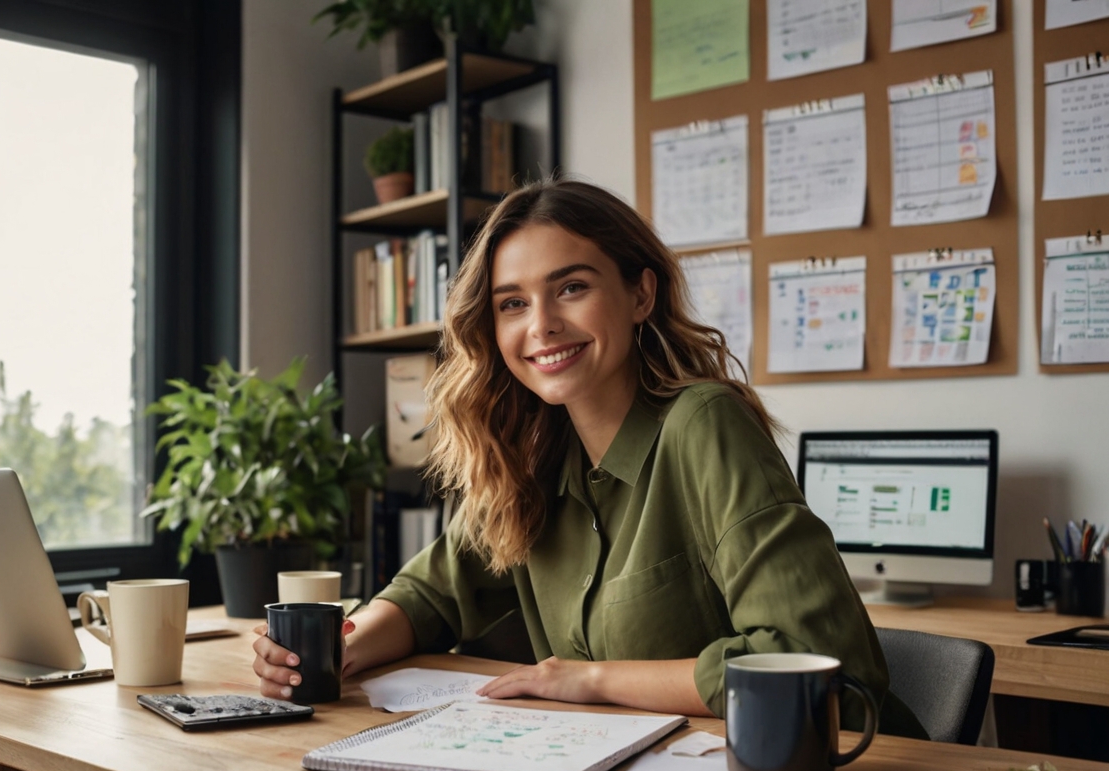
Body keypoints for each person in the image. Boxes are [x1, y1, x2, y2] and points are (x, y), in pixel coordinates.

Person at [253, 177, 925, 736]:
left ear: (640, 294)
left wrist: (589, 679)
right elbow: (430, 595)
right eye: (512, 303)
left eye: (570, 288)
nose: (540, 324)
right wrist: (329, 654)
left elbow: (819, 666)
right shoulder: (532, 455)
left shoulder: (703, 425)